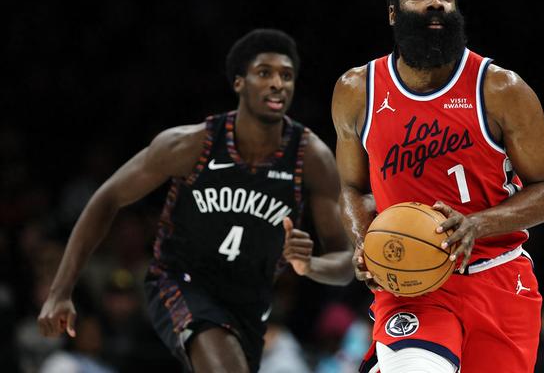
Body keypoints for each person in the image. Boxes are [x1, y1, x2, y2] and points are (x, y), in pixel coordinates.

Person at [38, 29, 354, 373]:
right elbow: (107, 197)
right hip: (182, 281)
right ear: (239, 83)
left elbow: (344, 260)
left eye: (287, 76)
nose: (278, 83)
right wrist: (60, 291)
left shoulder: (311, 158)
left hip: (250, 301)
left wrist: (310, 266)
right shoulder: (192, 145)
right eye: (264, 73)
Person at [331, 0, 544, 373]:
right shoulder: (357, 90)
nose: (436, 3)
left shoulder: (500, 89)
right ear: (393, 13)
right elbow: (352, 188)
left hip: (498, 275)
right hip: (411, 282)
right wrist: (365, 243)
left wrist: (477, 224)